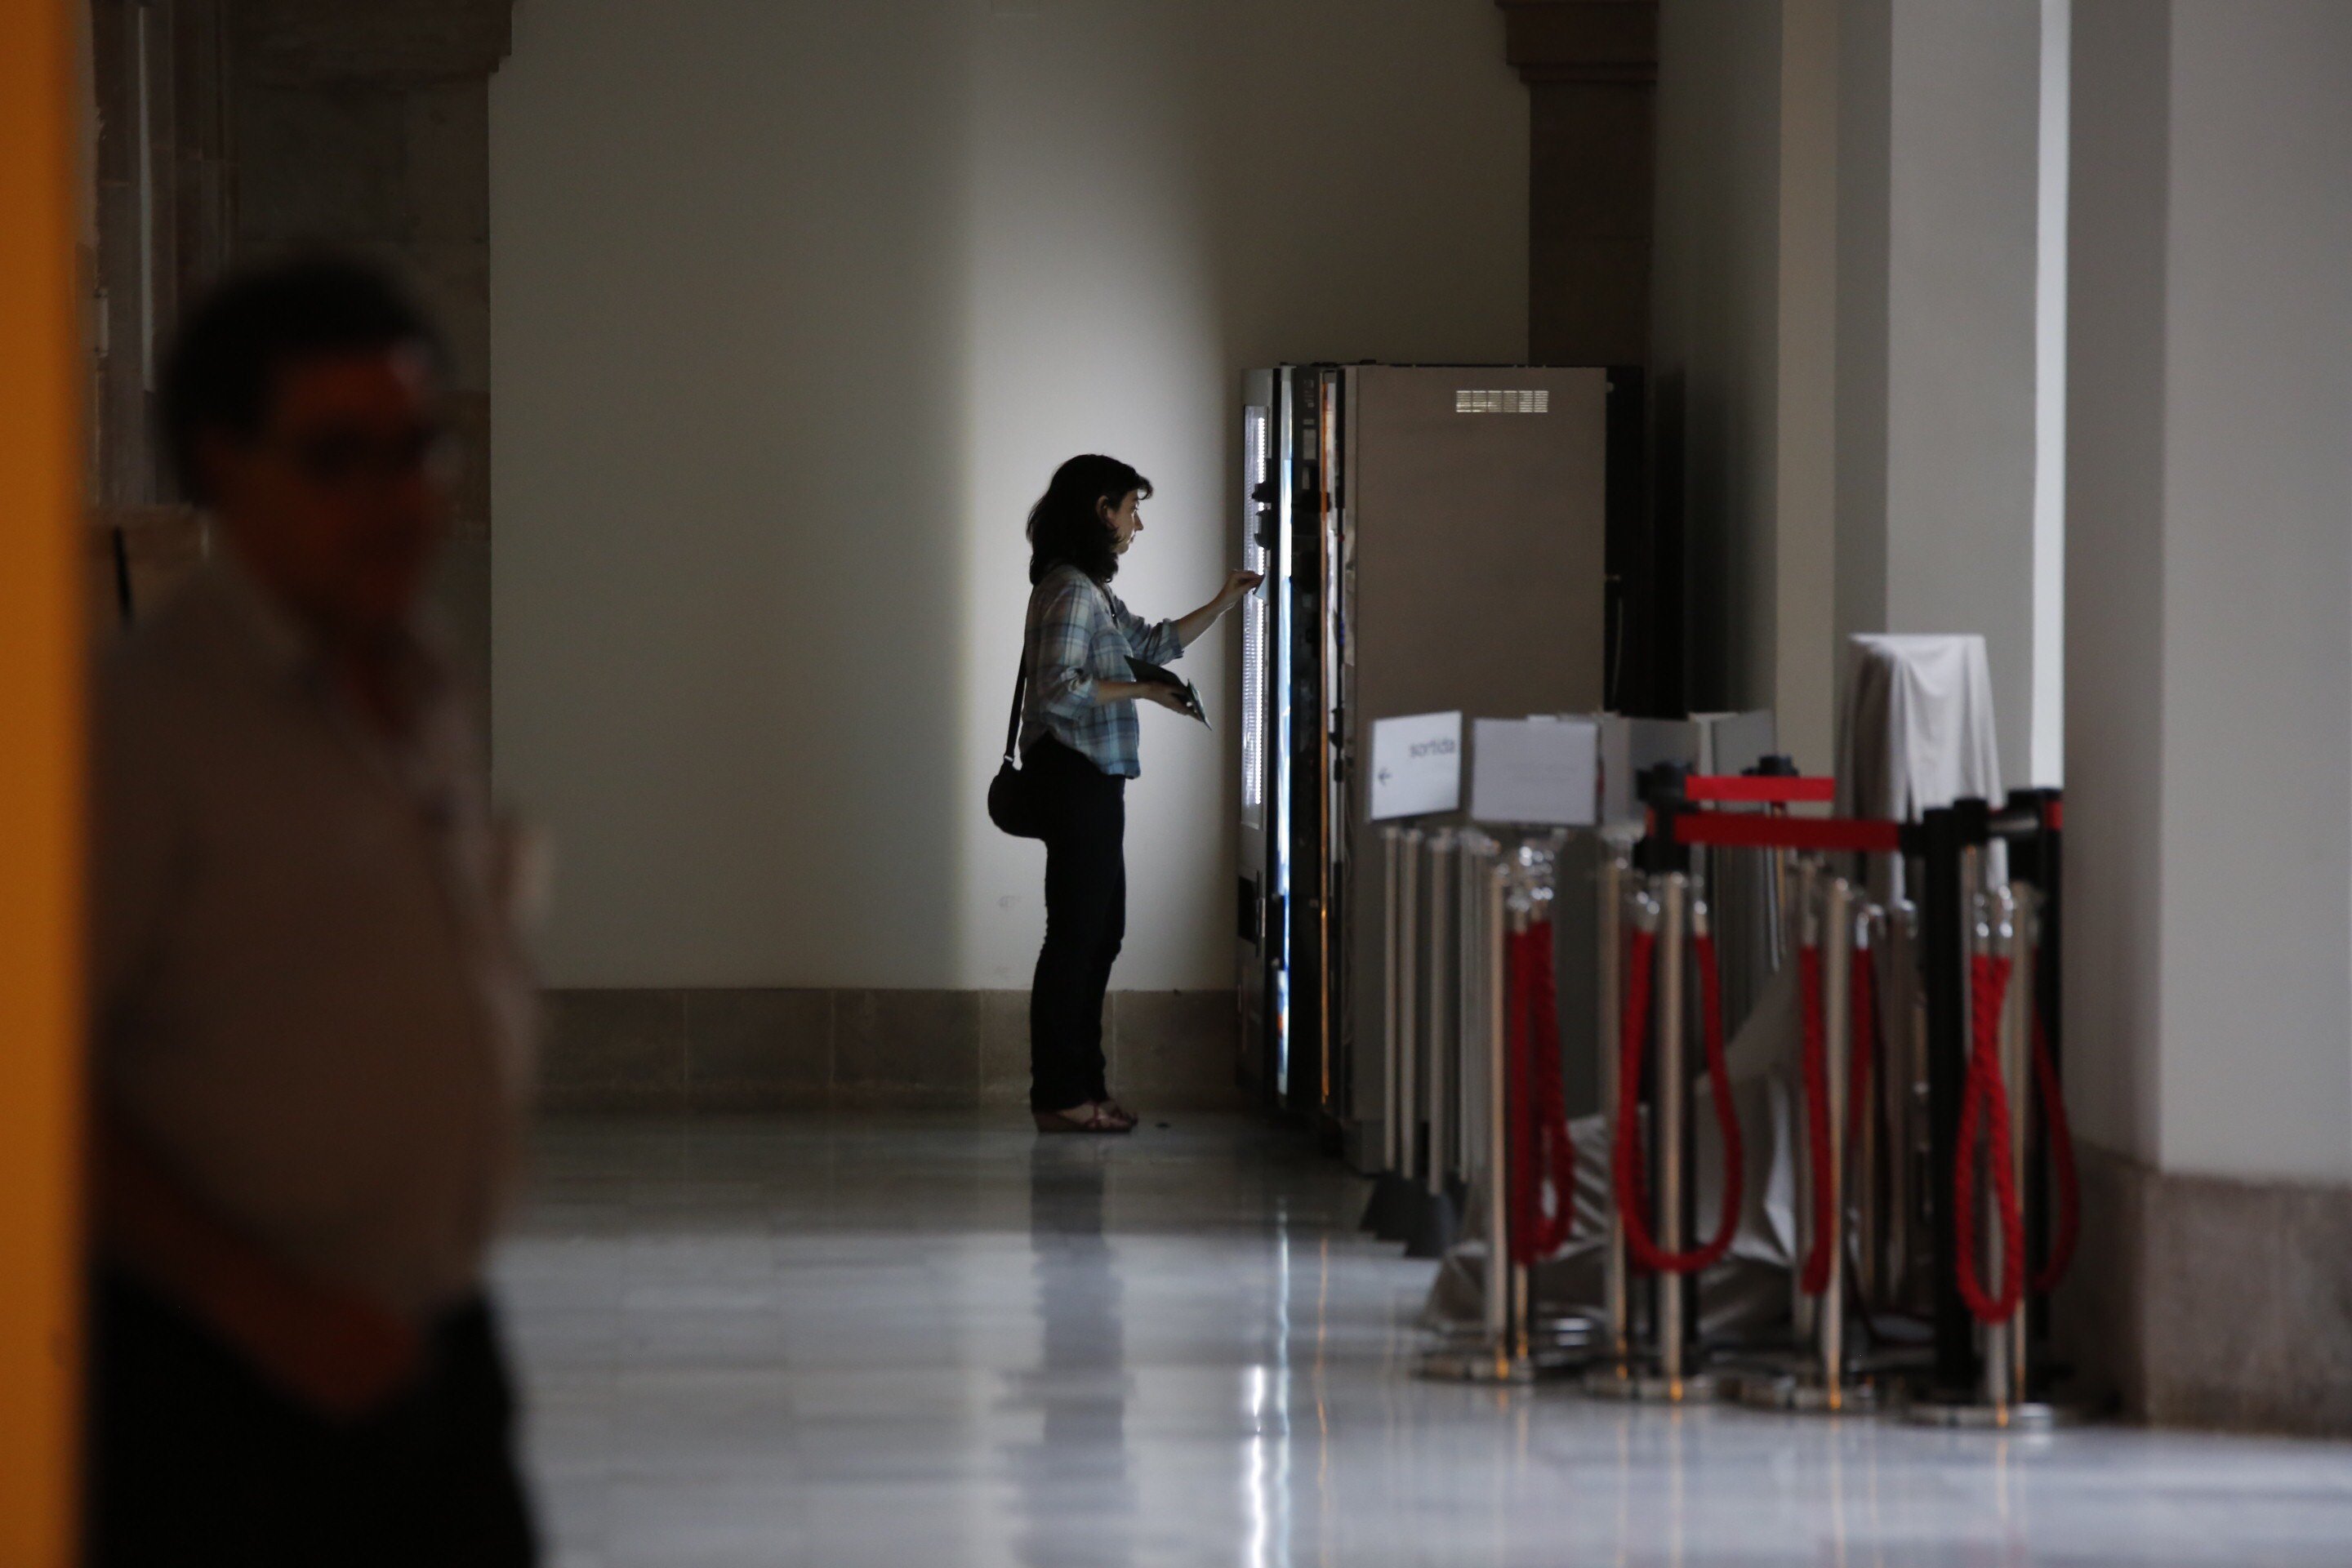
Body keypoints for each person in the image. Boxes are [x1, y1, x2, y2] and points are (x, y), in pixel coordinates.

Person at [84, 256, 539, 1566]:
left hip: (428, 1345)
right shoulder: (145, 730)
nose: (399, 500)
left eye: (420, 450)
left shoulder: (421, 677)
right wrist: (265, 1307)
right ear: (227, 465)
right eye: (341, 457)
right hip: (228, 1375)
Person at [1019, 454, 1260, 1134]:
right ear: (1102, 510)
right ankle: (1063, 1093)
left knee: (1098, 934)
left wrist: (1225, 599)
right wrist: (1145, 690)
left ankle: (1080, 1089)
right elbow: (1057, 691)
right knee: (1077, 937)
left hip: (1092, 778)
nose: (1137, 523)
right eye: (1131, 508)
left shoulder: (1088, 590)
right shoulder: (1070, 591)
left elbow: (1154, 640)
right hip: (1075, 778)